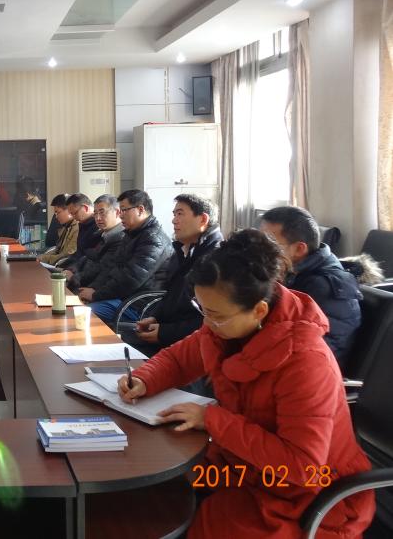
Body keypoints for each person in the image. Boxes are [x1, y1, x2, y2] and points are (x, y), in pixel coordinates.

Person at [118, 230, 375, 538]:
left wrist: (213, 420)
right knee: (155, 486)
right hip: (246, 468)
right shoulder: (225, 327)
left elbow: (302, 465)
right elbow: (179, 359)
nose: (207, 324)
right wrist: (144, 378)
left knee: (202, 518)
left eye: (215, 315)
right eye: (203, 310)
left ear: (259, 310)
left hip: (306, 491)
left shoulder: (306, 361)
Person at [260, 206, 362, 369]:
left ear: (299, 249)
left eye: (270, 244)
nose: (260, 251)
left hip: (310, 372)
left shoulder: (325, 287)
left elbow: (310, 352)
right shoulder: (289, 272)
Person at [121, 194, 223, 356]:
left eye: (180, 214)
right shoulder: (185, 250)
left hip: (187, 346)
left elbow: (210, 321)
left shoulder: (216, 260)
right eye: (174, 214)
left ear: (203, 219)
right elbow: (172, 296)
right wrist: (155, 318)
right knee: (116, 337)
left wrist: (165, 332)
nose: (174, 220)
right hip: (166, 332)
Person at [77, 189, 173, 327]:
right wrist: (93, 289)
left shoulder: (153, 239)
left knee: (83, 314)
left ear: (140, 210)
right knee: (78, 305)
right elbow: (112, 269)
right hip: (122, 297)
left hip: (137, 305)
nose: (120, 215)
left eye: (124, 210)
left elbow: (130, 280)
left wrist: (95, 295)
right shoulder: (132, 234)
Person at [68, 195, 125, 293]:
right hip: (85, 281)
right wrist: (71, 270)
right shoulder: (102, 234)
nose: (98, 218)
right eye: (95, 214)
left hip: (97, 289)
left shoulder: (120, 238)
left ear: (117, 212)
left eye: (102, 213)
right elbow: (86, 258)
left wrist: (74, 279)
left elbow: (103, 270)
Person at [59, 193, 99, 274]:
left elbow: (88, 258)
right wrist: (62, 266)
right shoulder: (83, 224)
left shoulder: (98, 227)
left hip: (84, 273)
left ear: (85, 208)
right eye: (71, 214)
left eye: (75, 213)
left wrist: (71, 270)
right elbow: (78, 253)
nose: (73, 217)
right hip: (75, 269)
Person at [39, 195, 79, 266]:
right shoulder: (66, 227)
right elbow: (57, 249)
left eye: (58, 212)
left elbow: (67, 255)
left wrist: (43, 259)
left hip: (64, 267)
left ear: (69, 210)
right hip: (58, 264)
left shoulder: (77, 228)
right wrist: (41, 257)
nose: (56, 216)